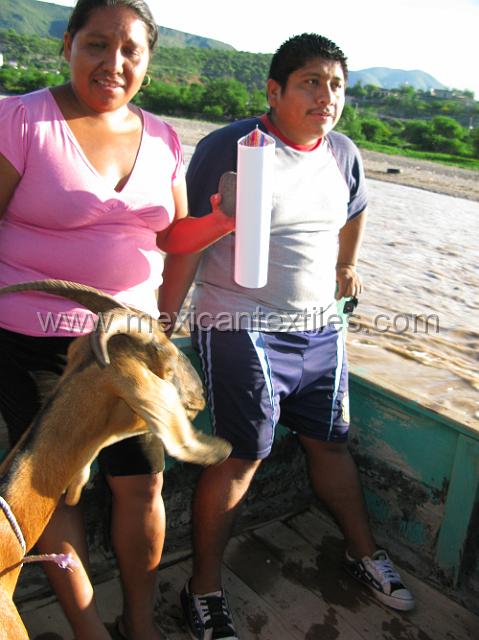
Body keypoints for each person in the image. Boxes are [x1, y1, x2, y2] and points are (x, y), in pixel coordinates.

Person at [158, 33, 415, 639]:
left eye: (336, 85)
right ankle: (205, 592)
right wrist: (162, 327)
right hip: (240, 325)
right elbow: (178, 241)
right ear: (274, 91)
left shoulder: (344, 152)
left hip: (322, 327)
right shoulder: (231, 147)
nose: (327, 96)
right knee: (244, 456)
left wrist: (347, 263)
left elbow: (356, 209)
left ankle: (364, 555)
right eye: (311, 82)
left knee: (330, 443)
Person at [0, 1, 234, 639]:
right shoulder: (21, 119)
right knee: (52, 494)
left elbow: (174, 235)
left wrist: (223, 217)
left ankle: (139, 622)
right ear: (67, 45)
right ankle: (87, 630)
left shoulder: (161, 136)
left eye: (131, 50)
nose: (114, 62)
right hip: (37, 344)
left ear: (149, 63)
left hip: (132, 348)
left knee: (143, 486)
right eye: (97, 45)